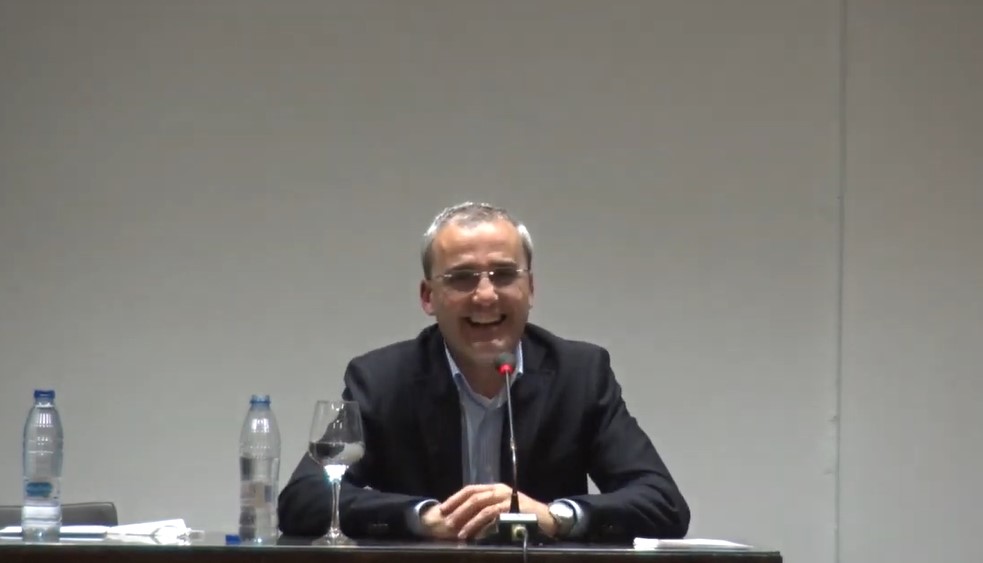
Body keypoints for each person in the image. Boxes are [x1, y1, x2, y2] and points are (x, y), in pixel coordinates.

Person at [278, 202, 689, 543]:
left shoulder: (579, 375)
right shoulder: (382, 380)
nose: (486, 295)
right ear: (428, 296)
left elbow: (663, 503)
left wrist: (554, 516)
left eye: (505, 275)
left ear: (531, 289)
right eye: (462, 278)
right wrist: (422, 518)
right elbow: (304, 498)